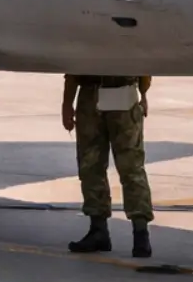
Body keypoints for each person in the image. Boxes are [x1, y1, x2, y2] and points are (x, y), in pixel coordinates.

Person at [62, 74, 154, 258]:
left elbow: (143, 67)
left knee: (130, 167)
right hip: (99, 95)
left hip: (116, 94)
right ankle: (102, 230)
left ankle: (139, 232)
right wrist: (67, 104)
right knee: (92, 166)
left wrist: (143, 94)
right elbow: (73, 67)